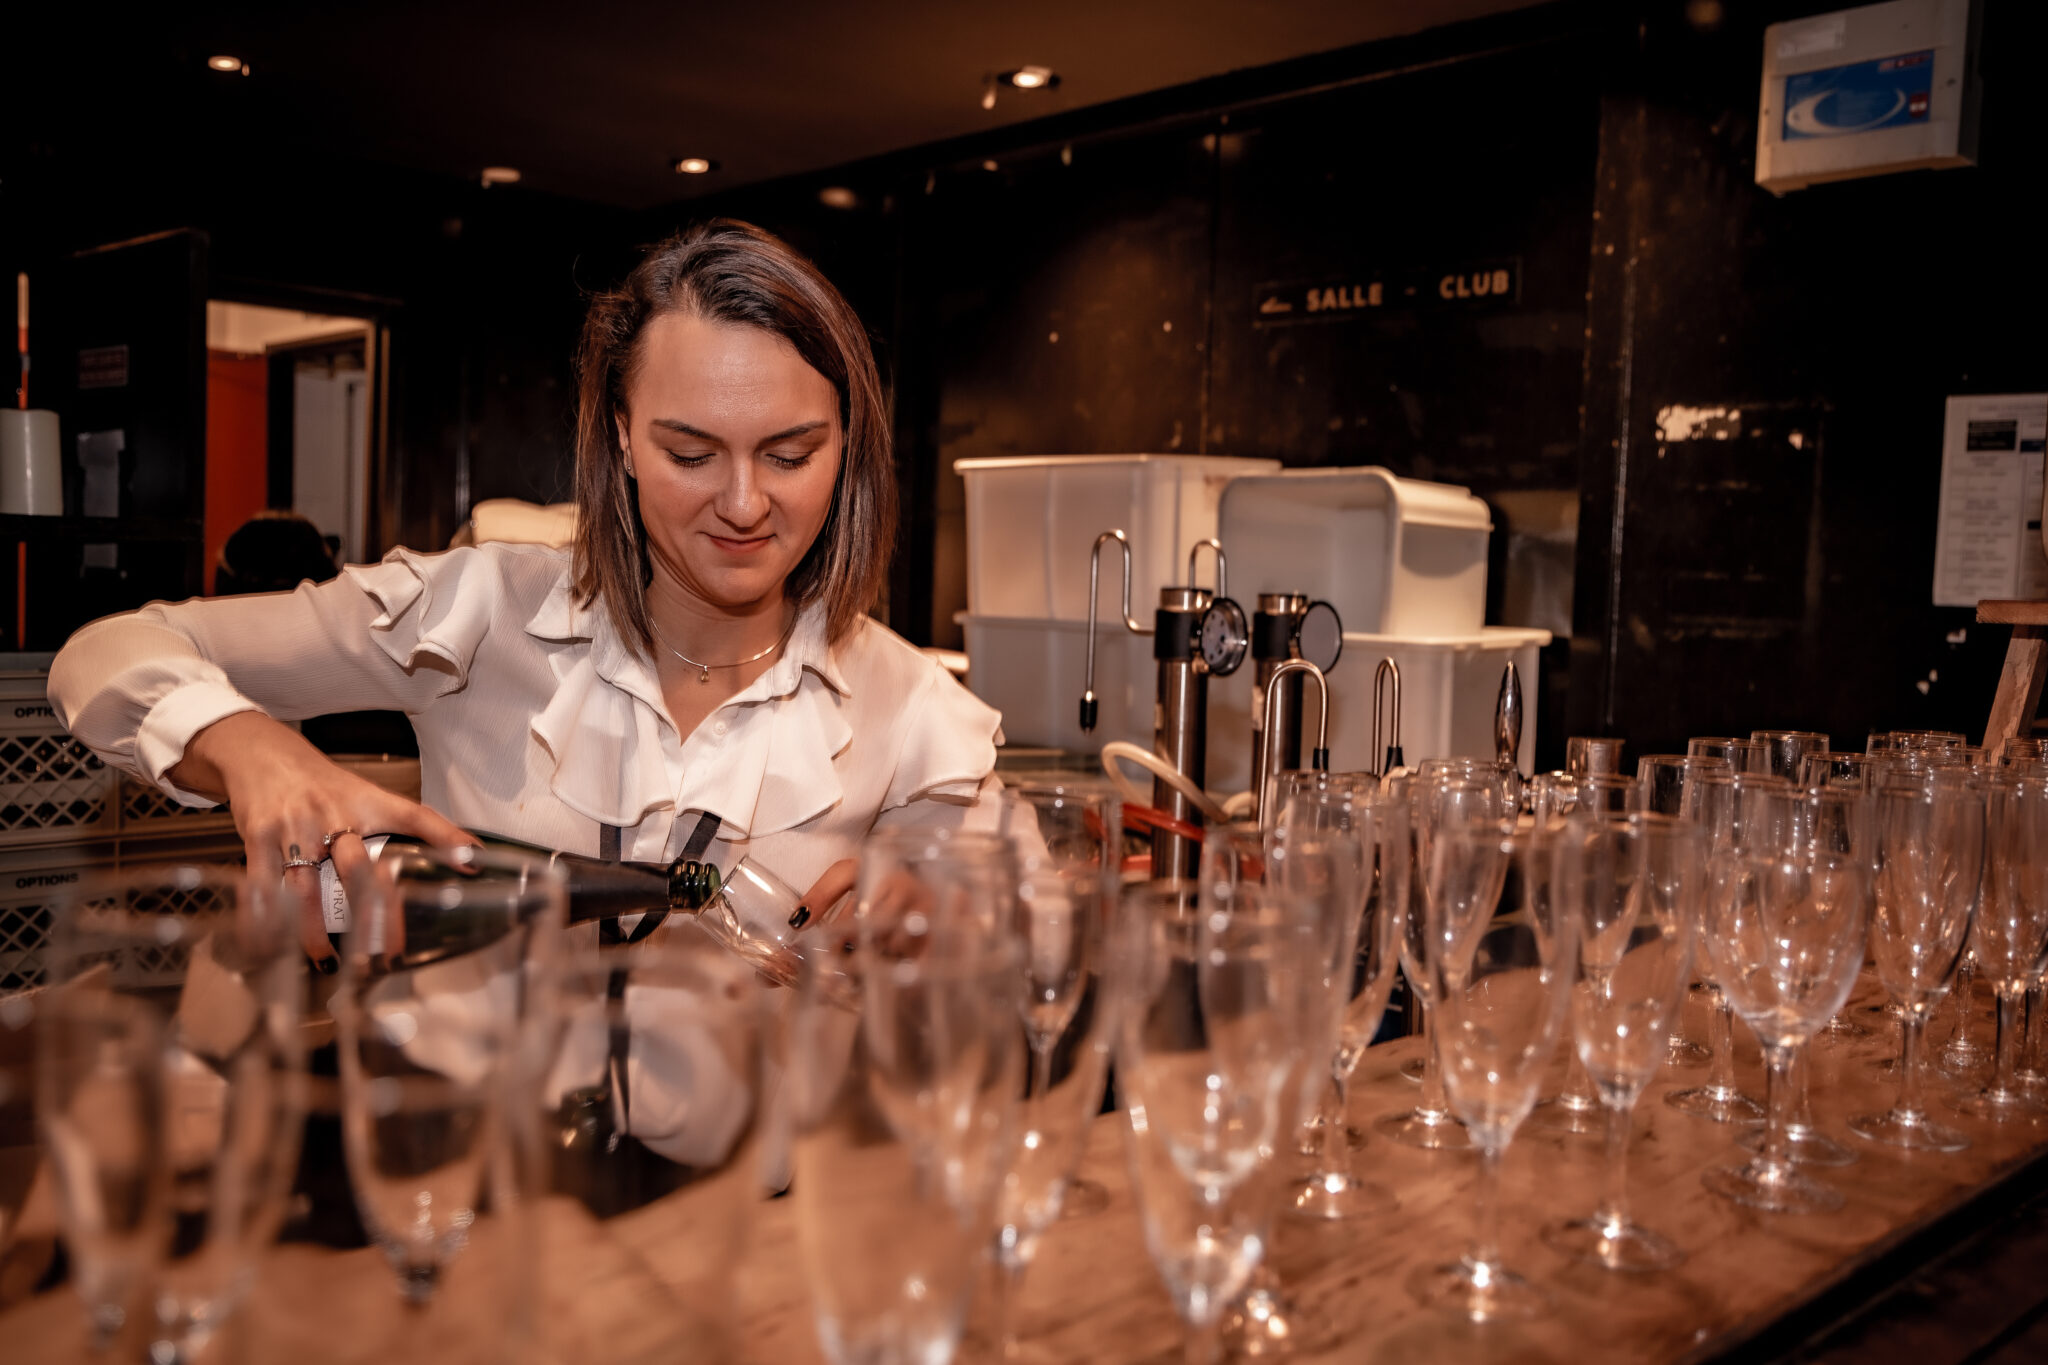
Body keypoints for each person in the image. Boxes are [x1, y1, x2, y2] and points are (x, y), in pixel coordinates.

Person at [49, 219, 1003, 971]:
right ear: (621, 435)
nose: (746, 503)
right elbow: (104, 654)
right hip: (472, 1188)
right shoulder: (476, 613)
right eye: (690, 453)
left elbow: (1016, 941)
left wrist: (940, 918)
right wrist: (248, 746)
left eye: (791, 454)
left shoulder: (909, 706)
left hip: (754, 1212)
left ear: (848, 445)